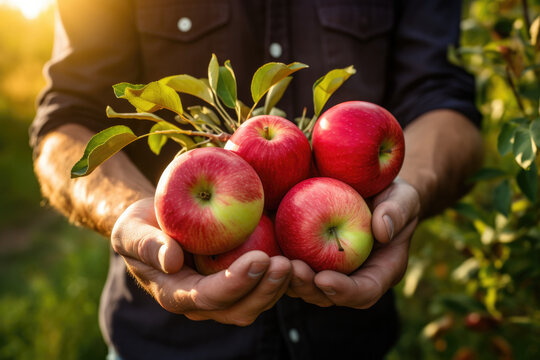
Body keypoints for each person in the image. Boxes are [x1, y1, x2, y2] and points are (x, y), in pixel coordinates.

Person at [30, 0, 483, 359]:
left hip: (350, 340)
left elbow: (444, 98)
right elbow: (67, 117)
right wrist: (128, 211)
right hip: (164, 345)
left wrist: (410, 192)